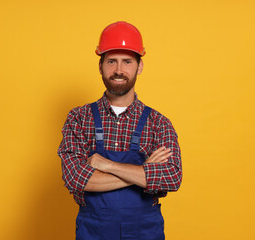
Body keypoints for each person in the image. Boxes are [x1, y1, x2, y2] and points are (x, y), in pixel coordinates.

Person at [58, 21, 182, 240]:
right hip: (93, 231)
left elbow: (171, 177)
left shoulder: (159, 123)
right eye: (111, 61)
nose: (118, 70)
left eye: (127, 62)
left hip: (145, 232)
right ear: (100, 66)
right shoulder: (78, 118)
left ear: (139, 66)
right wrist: (144, 171)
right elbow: (76, 178)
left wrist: (107, 165)